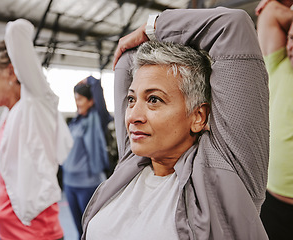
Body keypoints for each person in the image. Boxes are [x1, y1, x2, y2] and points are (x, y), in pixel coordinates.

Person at [81, 7, 269, 240]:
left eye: (154, 99)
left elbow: (231, 26)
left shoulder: (224, 174)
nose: (132, 117)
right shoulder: (132, 161)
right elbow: (127, 55)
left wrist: (151, 28)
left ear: (198, 116)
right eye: (131, 99)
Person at [0, 19, 73, 240]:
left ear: (11, 71)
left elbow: (18, 30)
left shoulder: (36, 105)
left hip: (35, 232)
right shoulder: (9, 114)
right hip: (8, 230)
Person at [256, 1, 293, 239]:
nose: (292, 45)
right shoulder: (278, 65)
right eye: (291, 38)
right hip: (274, 203)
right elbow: (269, 12)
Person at [62, 76, 113, 239]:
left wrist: (89, 80)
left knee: (90, 230)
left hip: (88, 184)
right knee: (79, 230)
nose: (77, 103)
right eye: (75, 99)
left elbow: (97, 88)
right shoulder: (74, 122)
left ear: (91, 101)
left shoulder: (98, 119)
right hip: (70, 183)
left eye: (80, 99)